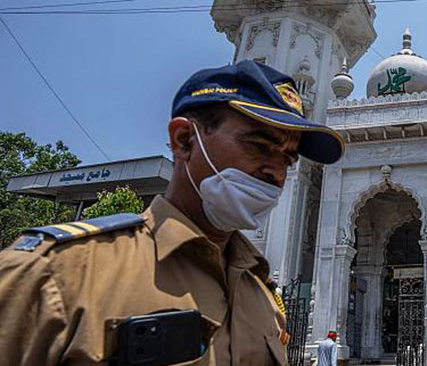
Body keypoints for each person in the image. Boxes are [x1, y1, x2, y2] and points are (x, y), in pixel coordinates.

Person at [0, 60, 345, 365]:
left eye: (287, 158)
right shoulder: (54, 276)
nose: (276, 172)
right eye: (259, 145)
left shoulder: (262, 298)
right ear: (184, 140)